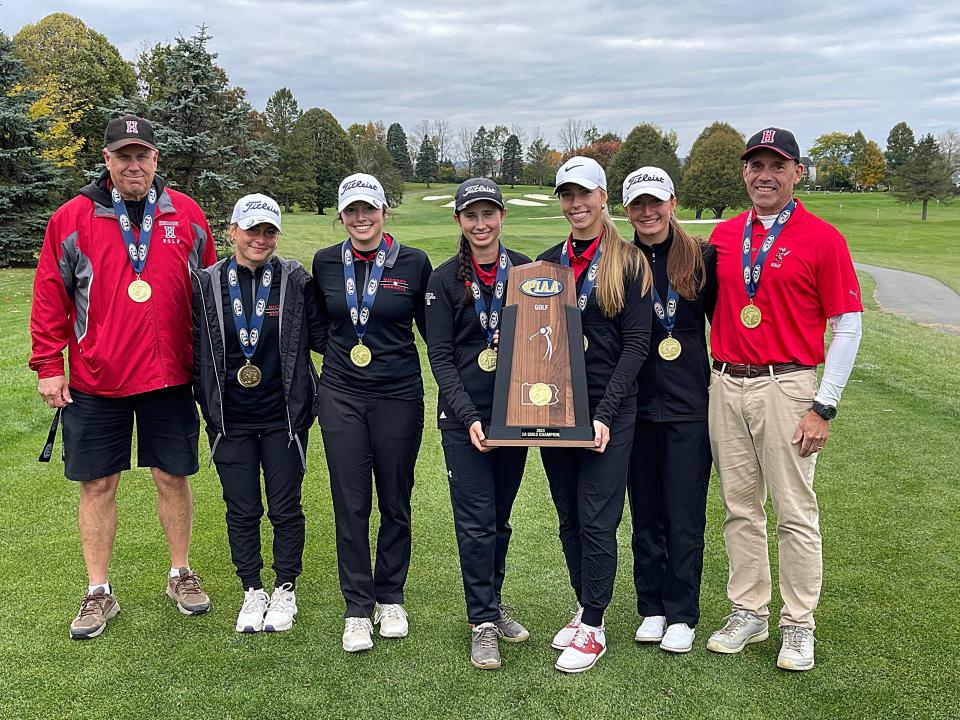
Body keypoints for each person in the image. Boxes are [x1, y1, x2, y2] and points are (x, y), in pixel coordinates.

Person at [29, 114, 217, 639]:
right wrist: (49, 364)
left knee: (171, 477)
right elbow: (50, 295)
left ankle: (179, 573)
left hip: (169, 376)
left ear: (156, 159)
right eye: (123, 156)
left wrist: (210, 363)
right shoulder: (72, 218)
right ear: (107, 160)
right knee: (97, 483)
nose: (134, 165)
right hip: (96, 379)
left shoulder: (187, 214)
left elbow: (208, 295)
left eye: (143, 155)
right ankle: (98, 591)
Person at [705, 128, 863, 671]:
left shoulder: (822, 237)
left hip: (788, 384)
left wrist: (824, 405)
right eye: (756, 165)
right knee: (739, 508)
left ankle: (798, 624)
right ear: (745, 173)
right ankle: (749, 611)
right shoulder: (725, 237)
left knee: (795, 511)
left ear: (797, 173)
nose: (764, 175)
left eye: (777, 165)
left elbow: (846, 325)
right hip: (726, 382)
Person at [537, 157, 652, 673]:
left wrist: (606, 411)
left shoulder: (628, 262)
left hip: (610, 411)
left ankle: (596, 625)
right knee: (568, 516)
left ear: (604, 197)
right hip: (555, 411)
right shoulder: (545, 264)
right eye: (567, 195)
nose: (576, 204)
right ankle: (585, 607)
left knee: (597, 518)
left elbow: (635, 346)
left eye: (584, 194)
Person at [192, 194, 324, 633]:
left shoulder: (296, 279)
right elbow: (193, 349)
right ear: (232, 231)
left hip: (283, 419)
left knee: (286, 508)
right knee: (242, 509)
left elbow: (323, 335)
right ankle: (252, 589)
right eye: (252, 230)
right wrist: (206, 400)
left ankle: (285, 587)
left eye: (269, 231)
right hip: (230, 420)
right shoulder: (206, 282)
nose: (260, 239)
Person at [312, 173, 433, 652]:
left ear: (385, 211)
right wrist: (346, 356)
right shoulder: (324, 263)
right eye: (352, 211)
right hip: (341, 394)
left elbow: (433, 332)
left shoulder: (414, 263)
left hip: (399, 395)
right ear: (342, 216)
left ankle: (391, 595)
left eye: (370, 209)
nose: (361, 219)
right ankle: (358, 606)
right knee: (351, 502)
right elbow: (317, 329)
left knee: (395, 500)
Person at [425, 178, 531, 670]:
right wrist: (467, 416)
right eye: (471, 216)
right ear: (459, 222)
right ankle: (482, 621)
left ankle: (493, 601)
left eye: (489, 214)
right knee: (475, 521)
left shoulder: (530, 273)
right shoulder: (445, 280)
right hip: (463, 420)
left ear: (502, 216)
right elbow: (441, 357)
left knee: (500, 520)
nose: (481, 224)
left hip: (517, 418)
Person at [622, 167, 717, 654]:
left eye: (655, 202)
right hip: (635, 409)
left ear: (673, 202)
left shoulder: (702, 257)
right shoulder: (621, 261)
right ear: (625, 210)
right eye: (637, 204)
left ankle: (682, 612)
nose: (647, 212)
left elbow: (723, 325)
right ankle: (652, 607)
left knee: (683, 513)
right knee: (645, 513)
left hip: (688, 407)